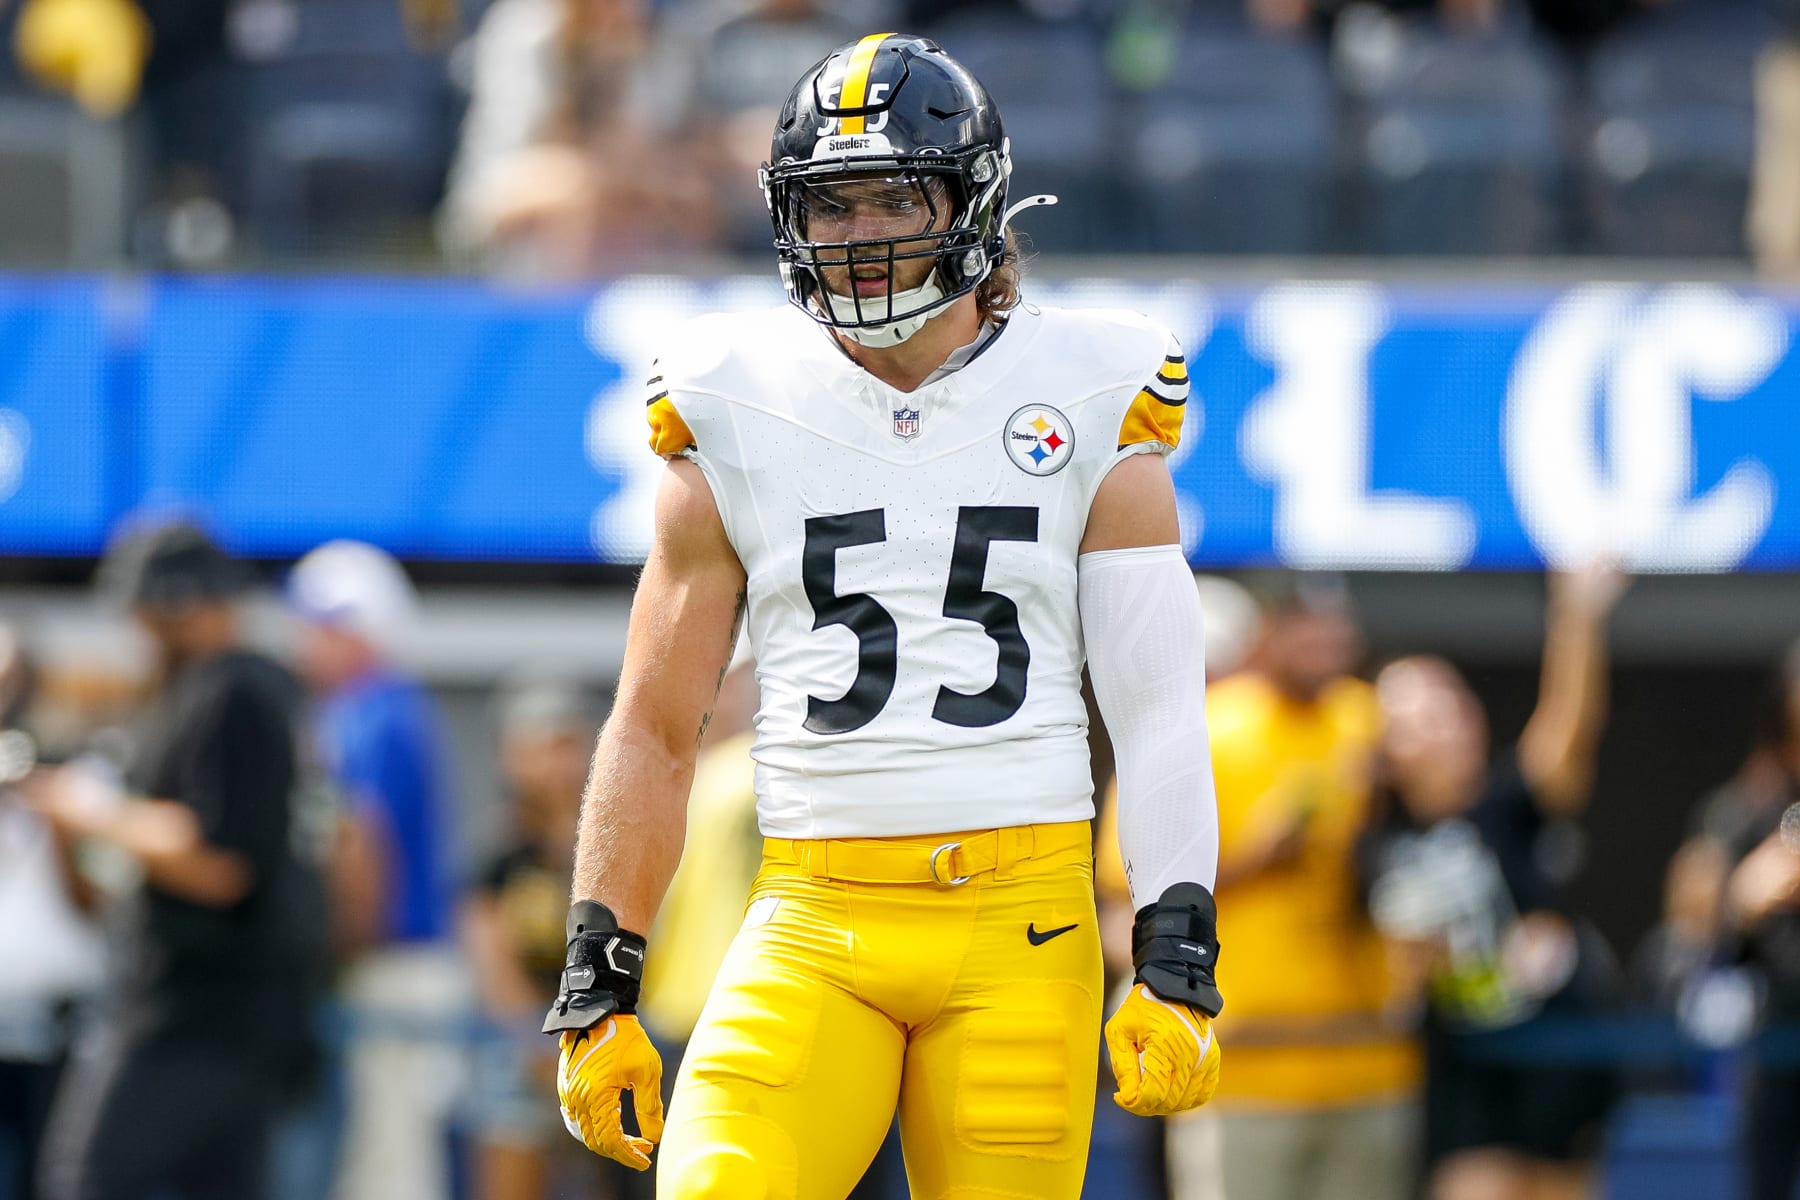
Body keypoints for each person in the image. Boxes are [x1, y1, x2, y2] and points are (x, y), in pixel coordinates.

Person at [535, 33, 1226, 1199]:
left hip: (1024, 923)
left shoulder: (1095, 391)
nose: (862, 236)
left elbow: (1157, 712)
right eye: (833, 205)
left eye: (896, 195)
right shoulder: (732, 404)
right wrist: (598, 972)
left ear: (972, 198)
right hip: (814, 912)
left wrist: (1176, 949)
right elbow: (653, 725)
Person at [30, 521, 322, 1200]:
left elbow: (221, 863)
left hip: (198, 1012)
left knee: (89, 1176)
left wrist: (89, 809)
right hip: (237, 1011)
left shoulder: (234, 693)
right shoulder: (245, 689)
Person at [1360, 563, 1629, 1200]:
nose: (1445, 724)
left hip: (1555, 1058)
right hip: (1465, 1073)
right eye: (1419, 717)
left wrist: (1578, 615)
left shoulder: (1509, 805)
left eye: (1451, 705)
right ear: (1386, 747)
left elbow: (1569, 728)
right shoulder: (1375, 843)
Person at [1167, 575, 1419, 1200]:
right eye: (1305, 625)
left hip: (1367, 1060)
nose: (1324, 642)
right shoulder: (1211, 728)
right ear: (1270, 632)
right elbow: (1135, 890)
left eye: (1335, 627)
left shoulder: (1373, 723)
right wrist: (1257, 856)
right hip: (1245, 1071)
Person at [285, 539, 464, 1200]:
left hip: (391, 967)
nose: (305, 641)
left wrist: (339, 946)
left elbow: (362, 844)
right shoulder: (385, 708)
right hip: (400, 964)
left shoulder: (370, 714)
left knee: (389, 1165)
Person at [0, 625, 104, 1200]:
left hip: (54, 1029)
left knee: (56, 1177)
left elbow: (96, 899)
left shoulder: (72, 776)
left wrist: (55, 813)